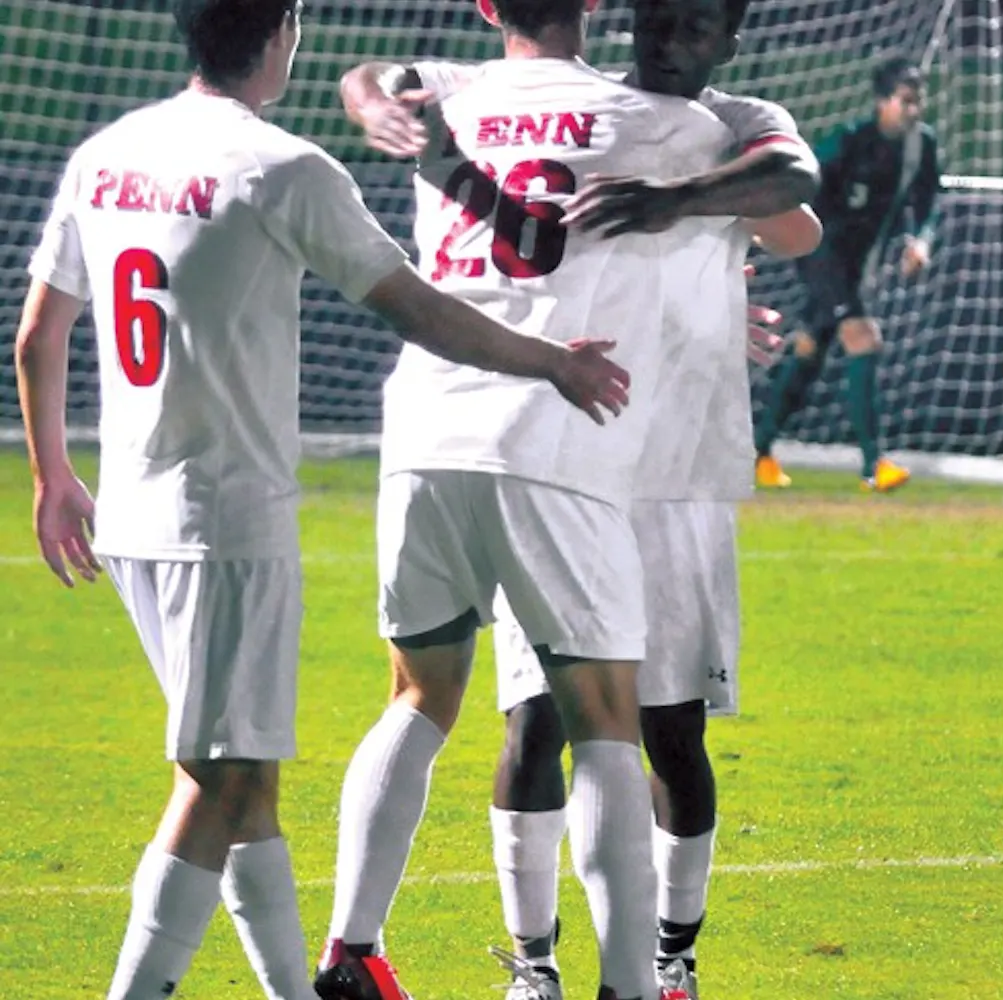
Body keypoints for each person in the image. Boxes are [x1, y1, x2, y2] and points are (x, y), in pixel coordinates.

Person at [12, 2, 629, 1000]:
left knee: (247, 780)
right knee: (214, 785)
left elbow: (39, 331)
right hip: (227, 527)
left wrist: (53, 476)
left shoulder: (109, 151)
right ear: (282, 30)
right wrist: (548, 360)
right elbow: (421, 309)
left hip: (130, 512)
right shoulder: (283, 167)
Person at [317, 3, 815, 999]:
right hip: (567, 446)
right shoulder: (660, 124)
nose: (673, 34)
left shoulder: (458, 95)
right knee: (594, 725)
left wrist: (379, 110)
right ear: (606, 8)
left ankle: (352, 948)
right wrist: (688, 222)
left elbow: (373, 80)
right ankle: (606, 975)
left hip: (435, 429)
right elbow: (787, 191)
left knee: (428, 698)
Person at [752, 54, 942, 493]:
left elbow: (928, 200)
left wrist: (920, 241)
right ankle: (874, 465)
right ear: (882, 102)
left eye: (919, 102)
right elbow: (803, 183)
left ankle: (758, 449)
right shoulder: (851, 142)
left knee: (809, 351)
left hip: (855, 265)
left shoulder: (921, 146)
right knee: (863, 338)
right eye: (906, 101)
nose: (914, 111)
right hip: (823, 253)